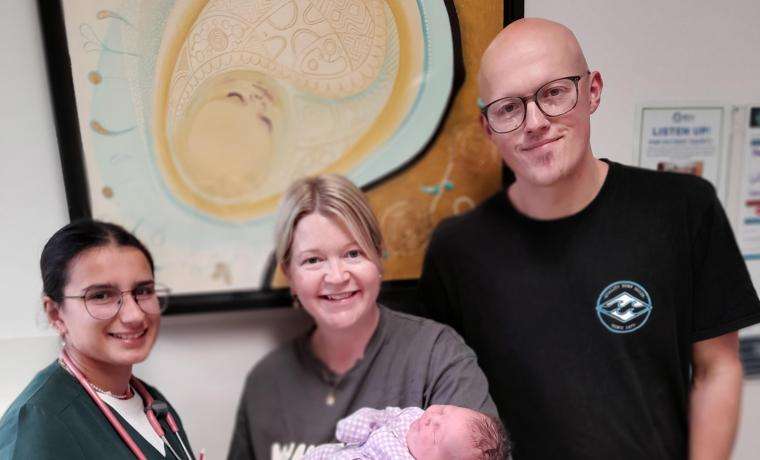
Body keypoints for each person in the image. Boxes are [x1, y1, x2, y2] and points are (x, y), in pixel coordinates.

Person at [418, 17, 760, 460]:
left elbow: (718, 369)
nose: (535, 122)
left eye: (554, 93)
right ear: (488, 128)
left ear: (592, 90)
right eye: (508, 107)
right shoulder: (457, 250)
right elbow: (441, 395)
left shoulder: (681, 209)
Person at [228, 174, 497, 460]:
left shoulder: (438, 357)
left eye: (353, 253)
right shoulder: (266, 382)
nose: (336, 276)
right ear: (289, 275)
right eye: (313, 260)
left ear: (379, 255)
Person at [0, 220, 195, 459]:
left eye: (143, 291)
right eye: (101, 295)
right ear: (55, 313)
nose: (134, 315)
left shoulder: (152, 402)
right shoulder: (40, 423)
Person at [304, 405, 509, 460]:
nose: (432, 418)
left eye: (437, 433)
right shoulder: (413, 418)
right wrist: (368, 420)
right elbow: (385, 416)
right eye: (445, 411)